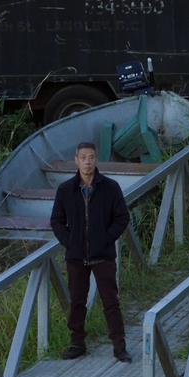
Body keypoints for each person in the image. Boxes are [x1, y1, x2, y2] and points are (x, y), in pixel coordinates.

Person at [49, 142, 133, 363]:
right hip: (76, 256)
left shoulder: (110, 187)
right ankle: (77, 343)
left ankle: (119, 346)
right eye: (83, 157)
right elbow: (56, 221)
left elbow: (122, 217)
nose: (88, 161)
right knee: (77, 301)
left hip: (103, 254)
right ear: (76, 160)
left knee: (111, 301)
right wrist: (69, 241)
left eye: (91, 157)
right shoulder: (65, 189)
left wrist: (106, 238)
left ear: (96, 160)